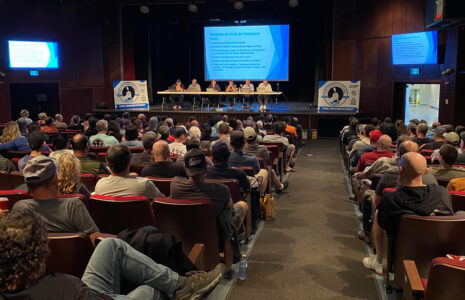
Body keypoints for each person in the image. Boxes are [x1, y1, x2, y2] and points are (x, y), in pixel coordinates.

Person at [0, 209, 226, 299]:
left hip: (87, 293)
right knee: (150, 289)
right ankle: (180, 287)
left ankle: (180, 284)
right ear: (38, 254)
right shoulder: (63, 289)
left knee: (110, 246)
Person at [363, 152, 453, 274]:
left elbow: (384, 225)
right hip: (436, 257)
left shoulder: (391, 200)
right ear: (426, 171)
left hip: (400, 257)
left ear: (400, 170)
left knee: (378, 214)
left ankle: (380, 261)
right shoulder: (443, 193)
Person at [12, 156, 98, 235]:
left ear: (27, 183)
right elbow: (94, 239)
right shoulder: (73, 206)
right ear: (54, 179)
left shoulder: (20, 207)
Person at [170, 149, 248, 230]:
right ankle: (231, 240)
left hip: (184, 230)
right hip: (214, 232)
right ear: (206, 166)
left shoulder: (174, 185)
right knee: (242, 204)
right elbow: (230, 206)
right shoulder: (221, 189)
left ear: (184, 167)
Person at [94, 145, 164, 198]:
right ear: (129, 162)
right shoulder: (144, 184)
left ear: (108, 163)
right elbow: (162, 200)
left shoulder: (100, 185)